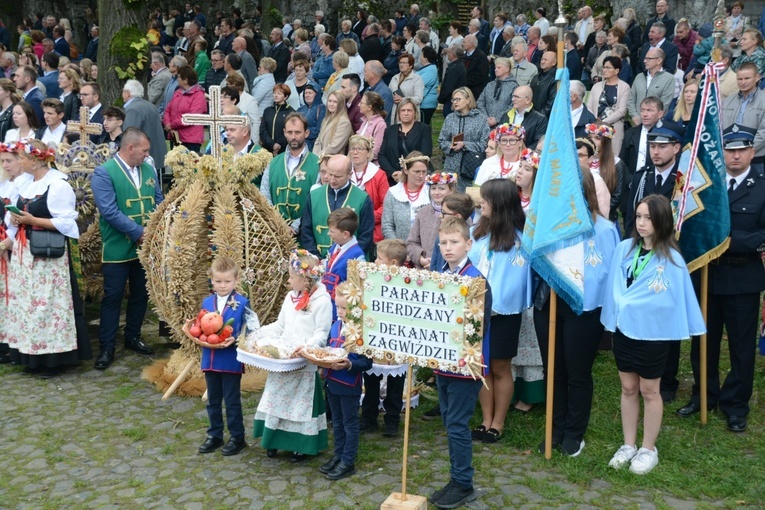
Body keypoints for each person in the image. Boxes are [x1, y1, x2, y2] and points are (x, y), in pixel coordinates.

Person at [602, 194, 704, 474]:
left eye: (648, 218)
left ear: (662, 222)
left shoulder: (672, 260)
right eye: (638, 217)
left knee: (649, 390)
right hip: (625, 330)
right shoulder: (624, 249)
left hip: (653, 336)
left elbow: (675, 301)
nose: (642, 223)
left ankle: (648, 448)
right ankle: (628, 444)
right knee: (628, 388)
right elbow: (613, 287)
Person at [676, 125, 765, 433]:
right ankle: (704, 396)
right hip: (707, 275)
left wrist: (732, 241)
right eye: (730, 150)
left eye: (742, 150)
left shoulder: (762, 185)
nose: (736, 155)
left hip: (743, 276)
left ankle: (735, 405)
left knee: (741, 348)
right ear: (722, 152)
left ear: (752, 152)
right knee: (704, 341)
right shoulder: (708, 184)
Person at [534, 166, 619, 456]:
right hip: (549, 303)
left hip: (584, 309)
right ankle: (555, 428)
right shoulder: (547, 225)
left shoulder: (605, 230)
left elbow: (610, 276)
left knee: (577, 371)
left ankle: (574, 431)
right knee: (553, 370)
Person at [4, 139, 90, 377]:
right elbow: (17, 215)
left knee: (48, 306)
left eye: (21, 157)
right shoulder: (26, 182)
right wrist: (14, 220)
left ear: (34, 159)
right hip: (26, 255)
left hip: (47, 258)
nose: (18, 161)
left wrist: (32, 221)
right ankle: (31, 356)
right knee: (29, 306)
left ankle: (53, 359)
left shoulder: (58, 184)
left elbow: (67, 223)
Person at [429, 215, 491, 509]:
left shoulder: (476, 280)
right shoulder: (441, 273)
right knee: (448, 420)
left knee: (457, 423)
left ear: (468, 244)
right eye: (443, 242)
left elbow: (480, 327)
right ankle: (456, 478)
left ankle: (463, 482)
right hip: (442, 361)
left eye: (454, 242)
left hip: (465, 365)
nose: (448, 247)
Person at [92, 128, 164, 369]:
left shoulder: (148, 169)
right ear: (130, 148)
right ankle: (107, 346)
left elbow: (158, 199)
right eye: (144, 150)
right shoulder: (104, 173)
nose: (147, 155)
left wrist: (157, 226)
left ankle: (133, 336)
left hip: (146, 246)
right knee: (112, 297)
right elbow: (109, 211)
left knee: (141, 294)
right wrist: (138, 232)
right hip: (117, 246)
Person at [250, 249, 331, 462]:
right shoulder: (290, 297)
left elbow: (322, 333)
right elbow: (281, 325)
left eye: (292, 277)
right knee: (276, 400)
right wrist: (258, 334)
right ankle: (273, 440)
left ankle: (301, 444)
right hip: (283, 360)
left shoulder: (322, 301)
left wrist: (307, 347)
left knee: (300, 405)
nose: (289, 280)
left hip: (303, 362)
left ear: (305, 280)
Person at [467, 178, 530, 445]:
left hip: (503, 312)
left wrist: (495, 303)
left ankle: (499, 421)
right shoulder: (476, 233)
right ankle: (485, 417)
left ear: (501, 204)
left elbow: (517, 280)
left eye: (487, 199)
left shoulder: (520, 241)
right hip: (475, 310)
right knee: (482, 366)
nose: (481, 202)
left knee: (501, 366)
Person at [193, 256, 249, 456]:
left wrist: (236, 338)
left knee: (232, 400)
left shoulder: (242, 303)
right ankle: (214, 434)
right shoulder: (207, 301)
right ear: (212, 280)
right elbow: (201, 326)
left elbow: (249, 329)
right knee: (213, 399)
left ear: (235, 281)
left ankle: (237, 436)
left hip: (230, 359)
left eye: (227, 281)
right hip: (210, 357)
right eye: (218, 281)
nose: (222, 285)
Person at [321, 280, 373, 479]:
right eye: (338, 307)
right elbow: (328, 348)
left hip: (349, 385)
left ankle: (348, 460)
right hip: (332, 382)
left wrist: (349, 365)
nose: (340, 311)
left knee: (350, 423)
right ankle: (338, 454)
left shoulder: (359, 332)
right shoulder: (335, 326)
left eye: (345, 307)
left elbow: (366, 362)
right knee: (337, 422)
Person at [358, 239, 408, 436]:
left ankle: (392, 419)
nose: (375, 262)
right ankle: (369, 417)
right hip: (376, 336)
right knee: (371, 379)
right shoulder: (373, 278)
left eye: (379, 258)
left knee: (396, 383)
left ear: (393, 263)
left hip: (397, 340)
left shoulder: (407, 282)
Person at [300, 154, 374, 257]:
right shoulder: (313, 195)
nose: (332, 180)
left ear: (349, 174)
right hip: (317, 261)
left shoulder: (363, 199)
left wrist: (345, 259)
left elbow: (366, 236)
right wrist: (315, 256)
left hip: (350, 261)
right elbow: (306, 230)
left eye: (338, 176)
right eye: (330, 174)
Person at [260, 112, 319, 231]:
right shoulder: (273, 162)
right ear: (284, 132)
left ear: (306, 133)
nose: (293, 137)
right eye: (289, 132)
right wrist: (277, 223)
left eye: (297, 132)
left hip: (304, 232)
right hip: (275, 230)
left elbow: (316, 201)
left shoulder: (318, 164)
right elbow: (264, 194)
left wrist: (296, 226)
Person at [439, 87, 490, 192]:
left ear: (468, 100)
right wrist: (450, 145)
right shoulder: (450, 118)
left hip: (471, 165)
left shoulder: (481, 119)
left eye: (458, 99)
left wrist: (465, 145)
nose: (455, 102)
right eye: (453, 100)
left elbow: (485, 144)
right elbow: (441, 141)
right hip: (451, 164)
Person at [407, 172, 456, 269]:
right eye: (433, 188)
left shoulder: (457, 212)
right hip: (422, 271)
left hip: (447, 271)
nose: (436, 192)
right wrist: (420, 258)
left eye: (441, 188)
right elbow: (411, 242)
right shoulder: (423, 212)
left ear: (451, 190)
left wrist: (436, 262)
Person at [378, 99, 432, 186]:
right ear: (398, 113)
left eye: (409, 110)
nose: (406, 113)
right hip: (394, 178)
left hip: (416, 176)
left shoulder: (424, 129)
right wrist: (392, 172)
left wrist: (405, 173)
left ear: (415, 112)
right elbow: (382, 155)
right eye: (403, 110)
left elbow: (426, 153)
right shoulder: (390, 130)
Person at [347, 134, 388, 244]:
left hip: (371, 228)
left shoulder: (379, 175)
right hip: (345, 227)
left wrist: (365, 218)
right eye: (352, 148)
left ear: (369, 153)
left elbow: (386, 205)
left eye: (360, 149)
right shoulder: (344, 173)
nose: (355, 152)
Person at [381, 150, 430, 242]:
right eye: (417, 171)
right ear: (406, 170)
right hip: (400, 249)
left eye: (424, 172)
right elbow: (387, 226)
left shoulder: (431, 192)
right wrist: (399, 248)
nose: (421, 175)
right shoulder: (394, 193)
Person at [321, 208, 366, 307]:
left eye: (332, 231)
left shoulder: (357, 256)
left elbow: (356, 287)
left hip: (340, 307)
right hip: (327, 303)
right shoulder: (335, 247)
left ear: (345, 234)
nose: (329, 233)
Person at [722, 63, 765, 163]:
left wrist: (746, 152)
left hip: (756, 158)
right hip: (729, 157)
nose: (743, 82)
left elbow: (763, 133)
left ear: (757, 77)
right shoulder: (726, 101)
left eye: (747, 78)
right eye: (740, 79)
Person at [122, 80, 167, 175]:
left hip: (142, 157)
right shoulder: (151, 106)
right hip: (157, 154)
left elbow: (129, 135)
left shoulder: (132, 109)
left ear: (127, 93)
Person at [588, 56, 630, 155]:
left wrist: (603, 122)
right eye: (603, 67)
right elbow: (589, 106)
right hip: (595, 127)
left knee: (612, 157)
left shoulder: (624, 87)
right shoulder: (596, 86)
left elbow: (622, 110)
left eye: (608, 68)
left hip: (613, 127)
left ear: (616, 71)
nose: (604, 70)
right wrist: (595, 122)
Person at [587, 123, 625, 222]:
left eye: (597, 138)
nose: (592, 141)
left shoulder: (616, 164)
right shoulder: (583, 160)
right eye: (590, 137)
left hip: (605, 218)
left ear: (606, 142)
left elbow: (617, 196)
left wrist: (598, 212)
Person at [163, 67, 206, 153]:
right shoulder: (178, 92)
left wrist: (172, 125)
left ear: (185, 80)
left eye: (179, 77)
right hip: (175, 136)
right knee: (175, 164)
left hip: (190, 139)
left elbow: (192, 117)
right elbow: (168, 110)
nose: (177, 79)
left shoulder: (198, 95)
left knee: (189, 165)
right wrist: (167, 123)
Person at [629, 48, 674, 127]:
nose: (645, 61)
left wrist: (649, 119)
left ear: (659, 61)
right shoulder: (639, 77)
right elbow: (631, 99)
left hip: (656, 125)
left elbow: (665, 104)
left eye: (648, 58)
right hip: (637, 124)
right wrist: (634, 116)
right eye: (645, 58)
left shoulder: (669, 78)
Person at [498, 85, 547, 151]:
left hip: (526, 158)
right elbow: (498, 137)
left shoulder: (540, 119)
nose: (513, 99)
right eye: (513, 96)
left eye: (517, 97)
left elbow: (537, 144)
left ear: (527, 100)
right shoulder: (506, 116)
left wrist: (521, 154)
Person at [477, 57, 518, 130]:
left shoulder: (514, 86)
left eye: (499, 67)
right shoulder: (490, 85)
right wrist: (486, 118)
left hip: (504, 125)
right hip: (485, 124)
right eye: (495, 67)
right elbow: (480, 102)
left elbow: (513, 105)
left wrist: (497, 118)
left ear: (507, 69)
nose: (495, 69)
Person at [312, 90, 353, 157]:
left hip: (333, 161)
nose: (331, 104)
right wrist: (314, 156)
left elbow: (335, 146)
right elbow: (318, 140)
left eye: (335, 102)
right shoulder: (325, 120)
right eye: (330, 101)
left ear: (341, 104)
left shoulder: (344, 122)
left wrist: (319, 156)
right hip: (320, 158)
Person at [260, 84, 294, 156]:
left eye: (279, 93)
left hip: (283, 150)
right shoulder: (267, 111)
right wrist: (272, 144)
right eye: (274, 93)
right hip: (267, 150)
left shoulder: (291, 112)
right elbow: (263, 130)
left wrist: (278, 145)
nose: (276, 95)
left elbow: (290, 131)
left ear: (286, 96)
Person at [389, 53, 424, 124]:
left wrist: (403, 99)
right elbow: (389, 93)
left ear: (411, 65)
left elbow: (419, 98)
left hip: (410, 114)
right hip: (395, 113)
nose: (401, 65)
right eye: (400, 62)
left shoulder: (417, 79)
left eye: (404, 63)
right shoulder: (394, 78)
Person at [356, 92, 387, 163]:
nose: (358, 105)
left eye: (361, 103)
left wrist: (361, 160)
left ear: (369, 107)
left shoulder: (380, 124)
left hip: (370, 165)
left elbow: (376, 151)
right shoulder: (364, 121)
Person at [438, 44, 467, 118]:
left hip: (451, 101)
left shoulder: (454, 68)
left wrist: (441, 98)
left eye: (448, 52)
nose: (447, 54)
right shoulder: (458, 65)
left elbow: (449, 86)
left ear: (453, 54)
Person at [297, 83, 325, 152]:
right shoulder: (300, 109)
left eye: (310, 93)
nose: (307, 95)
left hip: (313, 146)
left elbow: (319, 129)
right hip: (298, 145)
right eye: (305, 93)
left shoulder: (322, 108)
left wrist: (302, 132)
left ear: (317, 94)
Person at [462, 34, 489, 101]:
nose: (462, 44)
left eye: (464, 42)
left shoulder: (481, 57)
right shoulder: (463, 56)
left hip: (475, 92)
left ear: (471, 44)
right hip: (464, 90)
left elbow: (480, 76)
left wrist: (464, 82)